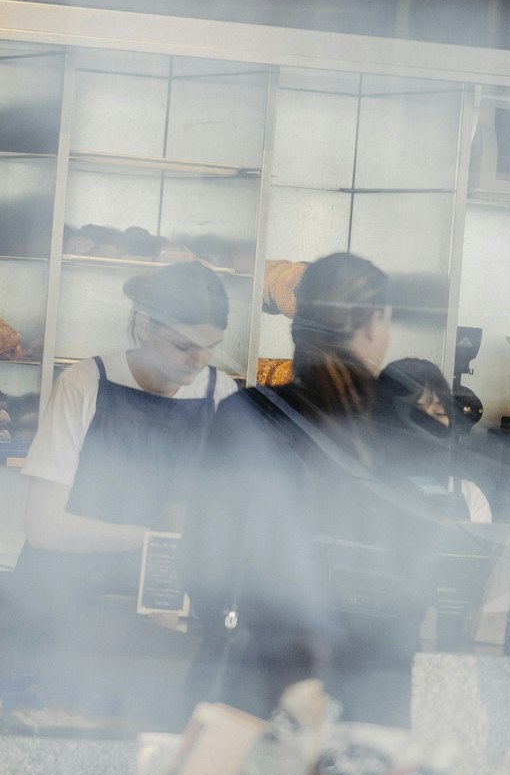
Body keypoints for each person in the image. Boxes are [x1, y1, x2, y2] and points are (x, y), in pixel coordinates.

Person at [185, 253, 451, 722]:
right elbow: (427, 573)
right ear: (372, 327)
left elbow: (204, 558)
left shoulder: (249, 414)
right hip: (374, 691)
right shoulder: (408, 430)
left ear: (298, 325)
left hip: (261, 682)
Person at [8, 259, 237, 713]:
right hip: (64, 604)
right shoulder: (85, 383)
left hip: (166, 614)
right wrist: (158, 544)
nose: (200, 361)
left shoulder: (221, 395)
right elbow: (44, 527)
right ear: (147, 325)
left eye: (211, 347)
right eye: (184, 345)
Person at [374, 357, 493, 526]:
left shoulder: (469, 496)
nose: (429, 424)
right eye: (417, 413)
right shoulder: (366, 487)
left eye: (438, 411)